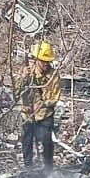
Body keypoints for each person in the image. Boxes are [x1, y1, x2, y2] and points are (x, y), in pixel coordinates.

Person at [15, 40, 62, 170]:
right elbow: (16, 93)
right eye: (42, 61)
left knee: (46, 142)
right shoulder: (27, 73)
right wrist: (23, 78)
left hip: (45, 115)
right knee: (27, 143)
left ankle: (48, 169)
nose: (46, 64)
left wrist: (43, 104)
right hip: (28, 115)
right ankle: (28, 168)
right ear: (36, 60)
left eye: (48, 61)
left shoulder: (53, 76)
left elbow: (54, 97)